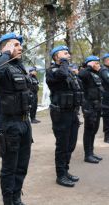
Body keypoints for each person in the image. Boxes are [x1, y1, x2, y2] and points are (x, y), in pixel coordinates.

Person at [0, 32, 32, 205]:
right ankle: (8, 202)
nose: (20, 47)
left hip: (24, 122)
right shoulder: (1, 66)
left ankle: (16, 198)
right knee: (9, 167)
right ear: (5, 47)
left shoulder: (19, 67)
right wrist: (5, 53)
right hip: (9, 125)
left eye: (20, 45)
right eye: (15, 44)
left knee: (22, 165)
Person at [46, 45, 82, 187]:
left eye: (68, 53)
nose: (68, 54)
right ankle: (60, 175)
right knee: (62, 145)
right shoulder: (52, 71)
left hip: (72, 113)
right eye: (64, 53)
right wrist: (64, 63)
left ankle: (65, 171)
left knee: (71, 144)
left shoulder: (69, 71)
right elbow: (61, 75)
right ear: (56, 57)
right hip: (60, 113)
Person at [78, 56, 103, 164]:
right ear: (91, 64)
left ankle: (91, 152)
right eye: (96, 63)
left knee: (94, 129)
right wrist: (89, 66)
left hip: (97, 105)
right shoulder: (86, 73)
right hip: (89, 106)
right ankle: (87, 155)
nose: (99, 65)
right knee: (89, 130)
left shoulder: (96, 74)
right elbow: (81, 74)